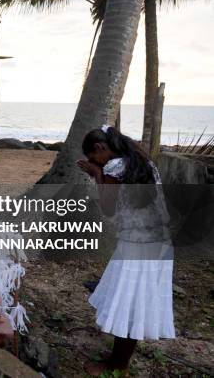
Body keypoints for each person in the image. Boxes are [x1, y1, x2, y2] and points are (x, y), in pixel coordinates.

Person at [77, 125, 175, 376]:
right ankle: (118, 358)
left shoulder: (113, 167)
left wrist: (97, 174)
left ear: (100, 149)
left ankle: (118, 365)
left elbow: (109, 208)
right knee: (133, 299)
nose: (92, 162)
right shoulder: (141, 162)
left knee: (129, 302)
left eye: (92, 157)